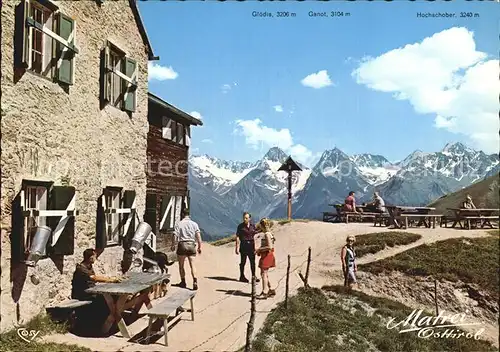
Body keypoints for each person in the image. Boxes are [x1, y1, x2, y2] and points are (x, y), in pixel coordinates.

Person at [71, 248, 121, 335]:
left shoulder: (89, 266)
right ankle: (102, 326)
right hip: (83, 294)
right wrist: (110, 280)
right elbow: (94, 278)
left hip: (91, 291)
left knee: (112, 298)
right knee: (105, 301)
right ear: (90, 257)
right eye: (94, 256)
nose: (95, 258)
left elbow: (94, 278)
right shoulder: (81, 268)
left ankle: (109, 321)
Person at [172, 207, 202, 290]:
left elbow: (175, 235)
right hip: (191, 245)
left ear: (182, 214)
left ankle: (183, 282)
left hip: (182, 244)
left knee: (181, 265)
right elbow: (198, 236)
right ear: (189, 215)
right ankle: (195, 281)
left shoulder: (179, 224)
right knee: (192, 265)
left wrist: (173, 244)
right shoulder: (194, 224)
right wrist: (199, 247)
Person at [235, 212, 259, 283]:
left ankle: (254, 276)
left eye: (246, 218)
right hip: (243, 245)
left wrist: (256, 246)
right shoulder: (240, 226)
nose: (245, 219)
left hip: (251, 245)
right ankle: (242, 276)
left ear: (249, 218)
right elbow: (237, 237)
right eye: (244, 218)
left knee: (252, 262)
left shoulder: (253, 226)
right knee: (243, 262)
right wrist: (236, 247)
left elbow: (256, 236)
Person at [255, 218, 276, 299]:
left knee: (264, 274)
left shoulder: (267, 234)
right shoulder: (269, 233)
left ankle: (264, 292)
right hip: (266, 255)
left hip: (267, 255)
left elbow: (270, 247)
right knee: (264, 273)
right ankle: (270, 289)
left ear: (262, 225)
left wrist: (259, 249)